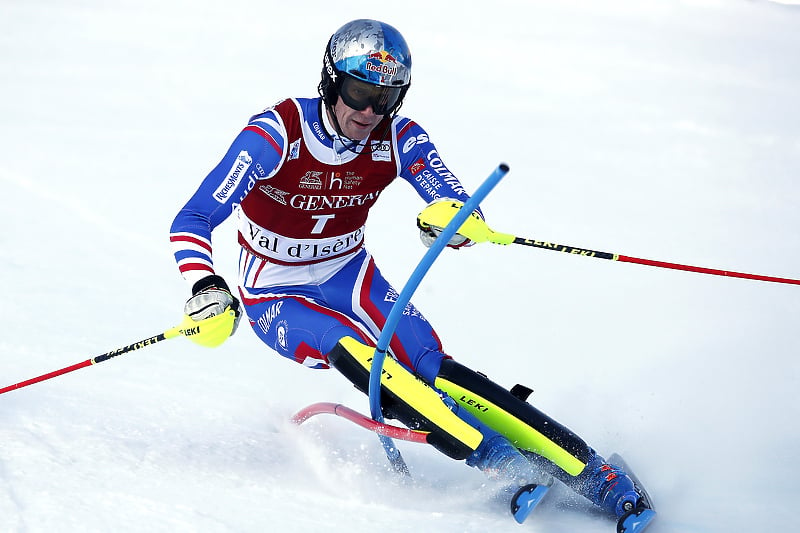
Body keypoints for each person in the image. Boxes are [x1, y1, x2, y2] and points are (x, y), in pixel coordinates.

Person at [169, 18, 649, 525]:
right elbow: (193, 218)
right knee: (360, 355)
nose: (369, 111)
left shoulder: (399, 136)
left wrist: (456, 220)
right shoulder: (275, 134)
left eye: (386, 96)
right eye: (358, 92)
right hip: (274, 292)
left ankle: (598, 476)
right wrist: (204, 284)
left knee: (430, 363)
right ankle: (500, 462)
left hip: (349, 274)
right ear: (331, 80)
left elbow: (451, 196)